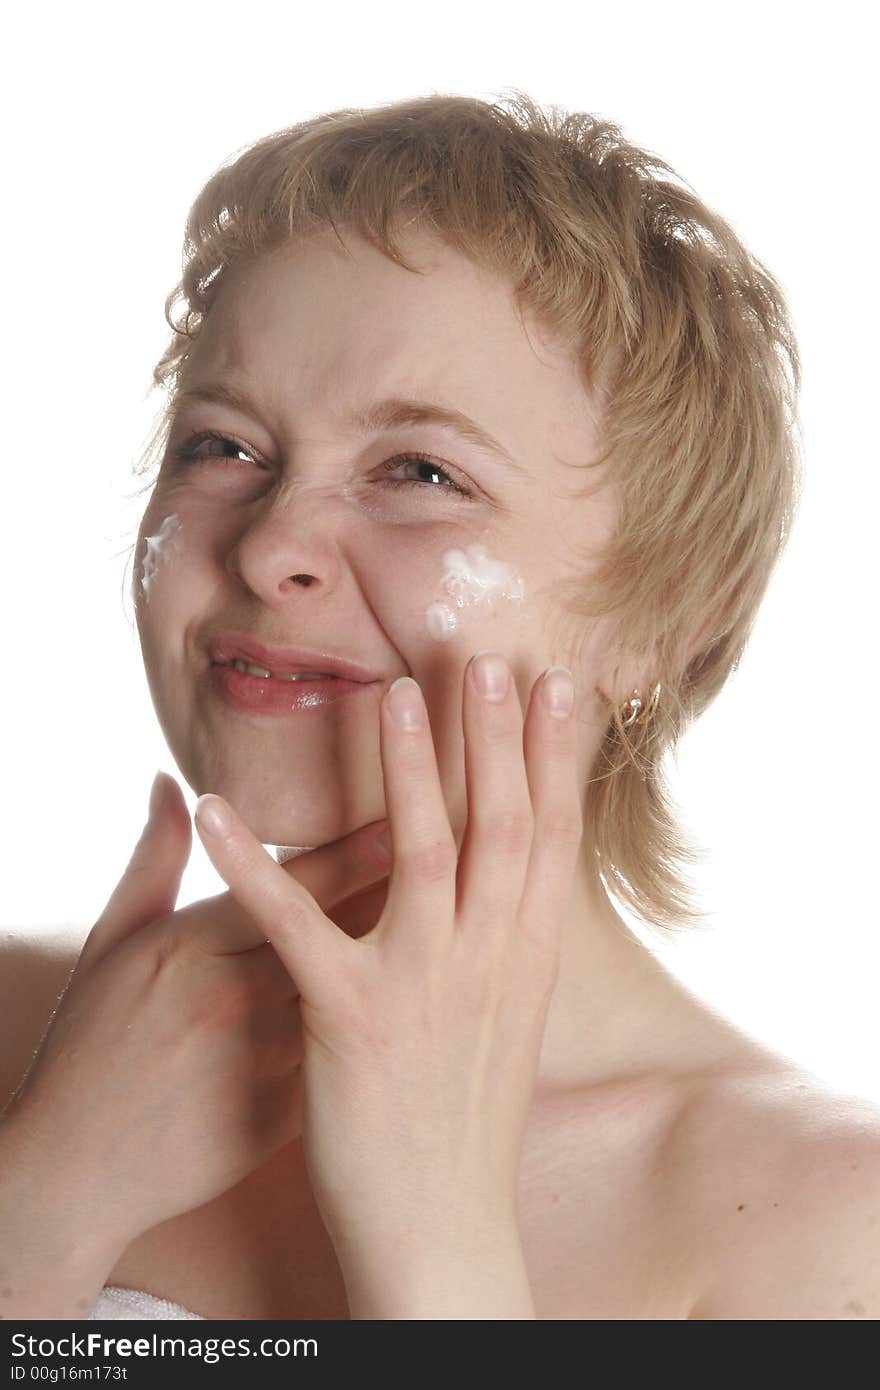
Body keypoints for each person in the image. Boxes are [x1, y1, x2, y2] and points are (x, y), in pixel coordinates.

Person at [2, 89, 878, 1322]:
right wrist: (46, 1197)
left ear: (662, 620)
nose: (272, 549)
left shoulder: (829, 1230)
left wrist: (437, 1235)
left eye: (421, 472)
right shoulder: (18, 1035)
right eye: (224, 445)